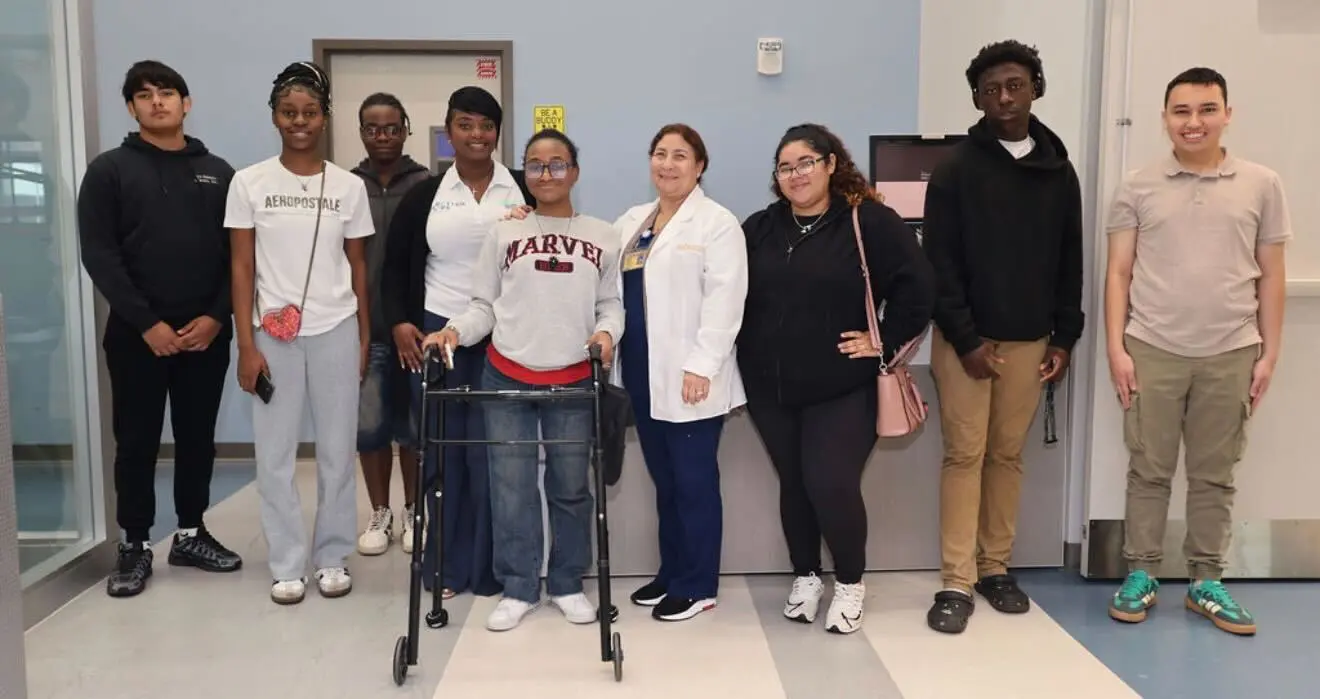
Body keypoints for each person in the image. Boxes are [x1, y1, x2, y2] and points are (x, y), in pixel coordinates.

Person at [1104, 67, 1289, 636]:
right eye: (1181, 111)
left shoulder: (1262, 184)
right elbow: (1118, 273)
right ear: (1165, 119)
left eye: (1207, 109)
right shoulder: (1137, 185)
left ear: (1227, 113)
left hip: (1232, 349)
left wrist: (1268, 354)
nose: (1194, 122)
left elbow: (1272, 277)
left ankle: (1206, 580)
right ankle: (1141, 573)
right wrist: (1117, 348)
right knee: (1148, 470)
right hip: (1152, 347)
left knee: (1214, 473)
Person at [738, 123, 936, 634]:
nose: (796, 174)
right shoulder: (760, 227)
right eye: (785, 167)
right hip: (769, 387)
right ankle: (806, 575)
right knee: (795, 484)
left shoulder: (867, 221)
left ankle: (849, 583)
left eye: (806, 162)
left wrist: (883, 341)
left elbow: (920, 287)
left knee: (831, 482)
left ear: (831, 164)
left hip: (842, 386)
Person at [424, 128, 624, 632]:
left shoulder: (603, 235)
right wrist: (452, 332)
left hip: (574, 380)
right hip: (507, 375)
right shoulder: (504, 232)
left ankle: (566, 583)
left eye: (558, 164)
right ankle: (518, 587)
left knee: (570, 488)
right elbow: (483, 307)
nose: (547, 173)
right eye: (535, 165)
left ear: (574, 171)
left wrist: (605, 334)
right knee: (510, 489)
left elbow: (610, 304)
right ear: (525, 173)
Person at [920, 40, 1084, 634]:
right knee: (964, 455)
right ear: (977, 100)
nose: (1004, 98)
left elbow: (1072, 259)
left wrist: (1065, 337)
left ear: (1036, 86)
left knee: (1007, 456)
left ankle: (996, 569)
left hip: (1031, 342)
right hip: (967, 343)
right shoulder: (958, 169)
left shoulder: (1058, 172)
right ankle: (957, 581)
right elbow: (940, 262)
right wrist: (965, 340)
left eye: (1015, 85)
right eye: (991, 90)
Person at [76, 60, 242, 598]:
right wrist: (147, 324)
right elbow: (100, 255)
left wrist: (218, 317)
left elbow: (238, 258)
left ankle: (191, 532)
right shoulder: (110, 171)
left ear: (186, 102)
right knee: (137, 441)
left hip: (205, 335)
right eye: (144, 96)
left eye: (167, 93)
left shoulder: (219, 172)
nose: (157, 102)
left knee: (198, 438)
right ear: (131, 108)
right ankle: (135, 543)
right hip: (136, 336)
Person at [225, 61, 374, 605]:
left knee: (338, 450)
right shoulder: (250, 182)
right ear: (275, 117)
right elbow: (241, 267)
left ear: (324, 117)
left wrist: (362, 336)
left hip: (335, 328)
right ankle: (287, 562)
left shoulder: (348, 187)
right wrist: (246, 344)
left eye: (310, 112)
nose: (300, 122)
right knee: (276, 454)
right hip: (273, 335)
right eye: (290, 112)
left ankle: (331, 555)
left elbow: (357, 266)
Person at [383, 86, 533, 600]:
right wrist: (401, 321)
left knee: (492, 456)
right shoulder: (425, 194)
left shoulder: (522, 191)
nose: (476, 134)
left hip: (504, 335)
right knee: (443, 452)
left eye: (485, 125)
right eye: (465, 125)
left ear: (497, 133)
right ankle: (444, 566)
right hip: (435, 333)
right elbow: (397, 264)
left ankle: (492, 568)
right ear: (449, 133)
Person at [612, 124, 747, 621]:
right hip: (643, 375)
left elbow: (725, 302)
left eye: (680, 156)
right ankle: (672, 573)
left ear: (700, 166)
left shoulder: (717, 223)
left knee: (693, 482)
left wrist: (702, 366)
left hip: (691, 376)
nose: (668, 164)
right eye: (660, 154)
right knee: (665, 482)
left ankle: (699, 584)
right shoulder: (632, 221)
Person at [350, 93, 431, 556]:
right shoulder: (345, 184)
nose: (383, 136)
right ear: (362, 133)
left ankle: (414, 509)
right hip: (364, 330)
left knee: (415, 428)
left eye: (391, 127)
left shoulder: (426, 184)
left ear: (405, 129)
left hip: (414, 328)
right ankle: (379, 511)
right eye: (372, 128)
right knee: (371, 427)